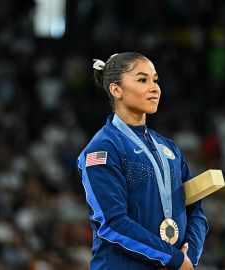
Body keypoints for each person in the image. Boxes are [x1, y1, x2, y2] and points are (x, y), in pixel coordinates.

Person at [77, 52, 208, 270]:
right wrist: (172, 259)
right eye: (142, 80)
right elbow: (112, 223)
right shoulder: (104, 148)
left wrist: (188, 257)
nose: (154, 87)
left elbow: (196, 211)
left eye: (155, 80)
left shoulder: (170, 149)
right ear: (116, 90)